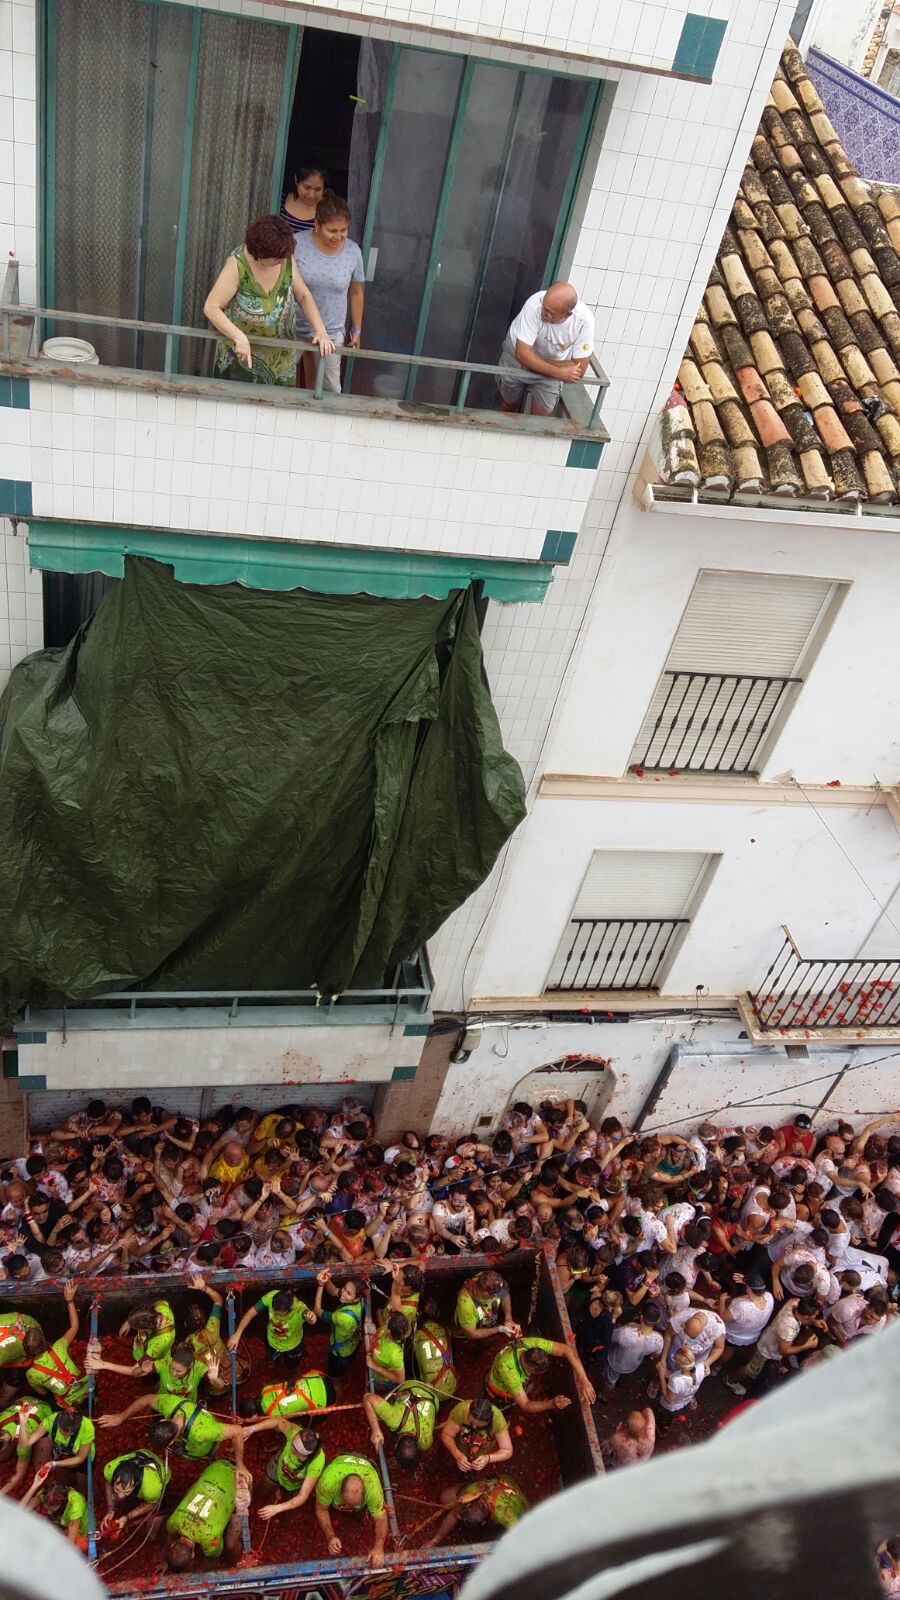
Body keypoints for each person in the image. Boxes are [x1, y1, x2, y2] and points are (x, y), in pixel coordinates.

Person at [205, 214, 333, 387]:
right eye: (277, 259)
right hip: (241, 356)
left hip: (280, 359)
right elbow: (211, 307)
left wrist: (320, 330)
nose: (282, 262)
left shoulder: (285, 259)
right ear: (260, 253)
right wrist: (239, 337)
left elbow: (303, 295)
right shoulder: (237, 265)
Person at [294, 191, 365, 393]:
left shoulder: (353, 251)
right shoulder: (297, 244)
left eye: (344, 230)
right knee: (280, 380)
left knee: (331, 388)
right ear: (317, 224)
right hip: (293, 328)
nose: (339, 236)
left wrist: (356, 330)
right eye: (332, 230)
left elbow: (357, 292)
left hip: (332, 331)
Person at [497, 282, 594, 417]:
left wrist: (533, 363)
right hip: (518, 358)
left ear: (567, 314)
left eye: (549, 312)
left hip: (548, 368)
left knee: (542, 418)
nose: (542, 312)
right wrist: (559, 372)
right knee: (509, 406)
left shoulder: (584, 322)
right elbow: (522, 353)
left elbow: (580, 369)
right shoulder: (534, 304)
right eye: (544, 305)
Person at [165, 1460, 251, 1571]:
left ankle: (234, 1564)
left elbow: (213, 1557)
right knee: (189, 1495)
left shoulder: (210, 1540)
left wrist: (207, 1568)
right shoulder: (174, 1521)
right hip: (216, 1465)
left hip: (240, 1480)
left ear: (193, 1555)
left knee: (231, 1543)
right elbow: (170, 1537)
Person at [485, 1334, 595, 1412]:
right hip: (498, 1391)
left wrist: (584, 1380)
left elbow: (567, 1350)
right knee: (499, 1410)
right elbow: (525, 1405)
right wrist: (551, 1404)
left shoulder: (531, 1345)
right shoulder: (509, 1371)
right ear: (531, 1369)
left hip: (511, 1371)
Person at [314, 1452, 388, 1567]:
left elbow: (381, 1519)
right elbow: (321, 1510)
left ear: (364, 1494)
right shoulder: (328, 1481)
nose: (349, 1508)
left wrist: (379, 1546)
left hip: (368, 1465)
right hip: (340, 1460)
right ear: (339, 1490)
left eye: (354, 1505)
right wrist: (330, 1536)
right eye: (346, 1503)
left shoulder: (373, 1487)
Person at [240, 1416, 325, 1515]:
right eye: (292, 1444)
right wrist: (251, 1429)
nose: (291, 1449)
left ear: (305, 1455)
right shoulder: (294, 1432)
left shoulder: (316, 1464)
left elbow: (302, 1496)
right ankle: (255, 1500)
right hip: (278, 1468)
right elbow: (277, 1421)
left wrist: (277, 1508)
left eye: (295, 1450)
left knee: (288, 1500)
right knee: (261, 1489)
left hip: (294, 1484)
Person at [229, 1286, 316, 1368]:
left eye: (280, 1313)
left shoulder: (300, 1309)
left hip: (293, 1345)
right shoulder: (271, 1296)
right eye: (275, 1311)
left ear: (290, 1308)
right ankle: (274, 1364)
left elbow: (312, 1320)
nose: (276, 1314)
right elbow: (251, 1313)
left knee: (292, 1365)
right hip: (272, 1340)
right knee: (272, 1360)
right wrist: (238, 1334)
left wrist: (311, 1318)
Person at [426, 1475, 529, 1544]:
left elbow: (523, 1535)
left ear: (484, 1522)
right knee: (446, 1497)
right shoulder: (472, 1492)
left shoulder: (505, 1515)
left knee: (494, 1539)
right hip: (505, 1480)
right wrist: (435, 1540)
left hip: (520, 1502)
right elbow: (453, 1514)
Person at [364, 1378, 440, 1468]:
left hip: (430, 1394)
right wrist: (376, 1431)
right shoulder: (394, 1420)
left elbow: (368, 1397)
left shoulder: (426, 1442)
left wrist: (376, 1430)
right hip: (421, 1389)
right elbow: (367, 1397)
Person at [101, 1447, 170, 1534]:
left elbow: (154, 1503)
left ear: (136, 1485)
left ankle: (151, 1537)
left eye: (126, 1491)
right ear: (114, 1478)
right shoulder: (110, 1469)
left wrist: (128, 1517)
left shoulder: (151, 1489)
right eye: (117, 1489)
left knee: (157, 1513)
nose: (120, 1496)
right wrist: (110, 1509)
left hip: (161, 1476)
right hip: (143, 1454)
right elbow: (108, 1483)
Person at [441, 1395, 514, 1474]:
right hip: (460, 1448)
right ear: (469, 1411)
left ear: (489, 1420)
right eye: (472, 1422)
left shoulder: (498, 1421)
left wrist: (488, 1459)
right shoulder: (461, 1410)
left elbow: (507, 1450)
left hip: (484, 1452)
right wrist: (457, 1455)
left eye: (480, 1426)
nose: (474, 1427)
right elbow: (446, 1434)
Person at [314, 1269, 364, 1376]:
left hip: (340, 1353)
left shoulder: (343, 1318)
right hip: (353, 1343)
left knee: (334, 1378)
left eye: (348, 1293)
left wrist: (320, 1285)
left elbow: (317, 1311)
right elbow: (333, 1291)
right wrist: (327, 1279)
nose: (343, 1294)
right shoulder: (361, 1301)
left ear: (356, 1299)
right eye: (344, 1288)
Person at [241, 1368, 335, 1422]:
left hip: (325, 1399)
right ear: (252, 1397)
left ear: (254, 1416)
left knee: (303, 1421)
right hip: (319, 1378)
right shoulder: (265, 1390)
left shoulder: (273, 1417)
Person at [454, 1270, 520, 1341]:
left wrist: (508, 1319)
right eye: (496, 1295)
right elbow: (472, 1334)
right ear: (486, 1293)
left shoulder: (487, 1278)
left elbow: (505, 1295)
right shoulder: (466, 1305)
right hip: (468, 1332)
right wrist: (499, 1329)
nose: (499, 1296)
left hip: (487, 1322)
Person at [413, 1300, 458, 1397]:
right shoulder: (446, 1331)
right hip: (452, 1388)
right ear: (437, 1314)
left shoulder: (416, 1336)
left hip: (431, 1391)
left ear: (420, 1315)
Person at [280, 163, 327, 238]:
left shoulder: (329, 210)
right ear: (296, 179)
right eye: (307, 187)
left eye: (318, 189)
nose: (311, 195)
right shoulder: (280, 199)